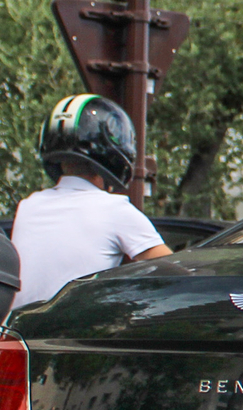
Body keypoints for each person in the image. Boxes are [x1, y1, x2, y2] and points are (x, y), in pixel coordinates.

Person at [9, 95, 171, 309]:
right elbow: (173, 271)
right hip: (69, 338)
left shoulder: (28, 206)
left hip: (13, 334)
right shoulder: (115, 210)